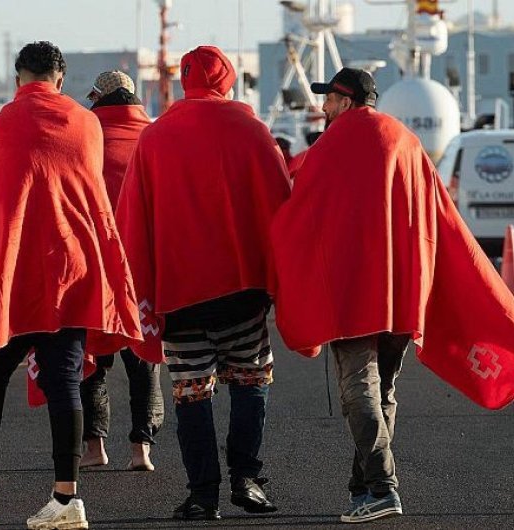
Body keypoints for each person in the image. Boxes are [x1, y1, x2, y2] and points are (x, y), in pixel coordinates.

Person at [270, 68, 514, 523]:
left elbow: (299, 216)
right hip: (401, 294)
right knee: (384, 389)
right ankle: (363, 489)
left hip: (351, 294)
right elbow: (438, 215)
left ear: (347, 101)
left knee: (358, 388)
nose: (324, 107)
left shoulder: (330, 147)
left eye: (329, 99)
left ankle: (382, 487)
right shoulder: (406, 140)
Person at [0, 41, 142, 530]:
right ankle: (66, 499)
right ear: (60, 79)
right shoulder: (86, 124)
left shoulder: (1, 125)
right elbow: (93, 200)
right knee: (66, 382)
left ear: (18, 79)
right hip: (71, 270)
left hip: (14, 276)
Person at [116, 45, 290, 520]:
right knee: (251, 380)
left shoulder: (154, 138)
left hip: (178, 297)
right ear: (227, 80)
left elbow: (133, 220)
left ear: (185, 80)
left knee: (191, 393)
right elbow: (281, 205)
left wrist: (140, 292)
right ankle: (247, 477)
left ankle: (202, 494)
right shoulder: (252, 132)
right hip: (243, 290)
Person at [79, 70, 163, 472]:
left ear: (100, 99)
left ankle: (94, 447)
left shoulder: (86, 136)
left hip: (93, 264)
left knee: (92, 358)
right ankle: (140, 449)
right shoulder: (152, 137)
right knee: (142, 357)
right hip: (141, 265)